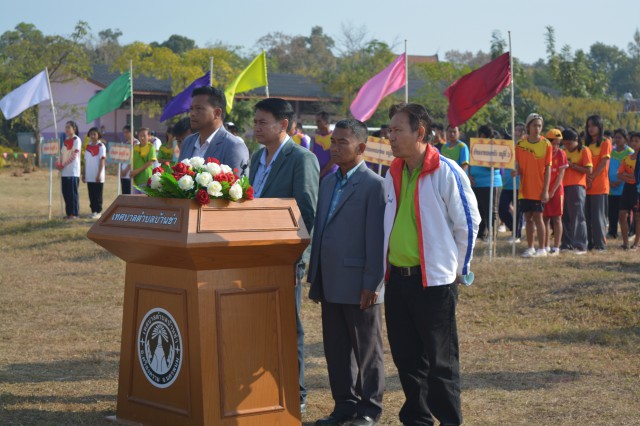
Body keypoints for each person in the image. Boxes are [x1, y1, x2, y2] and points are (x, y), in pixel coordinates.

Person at [383, 103, 480, 426]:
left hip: (434, 283)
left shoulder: (446, 170)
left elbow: (468, 222)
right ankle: (418, 419)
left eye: (397, 130)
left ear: (420, 132)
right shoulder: (392, 172)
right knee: (407, 360)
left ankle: (450, 420)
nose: (390, 136)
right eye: (389, 130)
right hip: (398, 281)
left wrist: (456, 270)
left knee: (441, 363)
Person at [307, 119, 385, 426]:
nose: (334, 147)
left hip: (359, 283)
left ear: (361, 147)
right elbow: (321, 231)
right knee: (336, 349)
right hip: (330, 280)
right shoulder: (328, 182)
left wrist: (372, 283)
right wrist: (316, 276)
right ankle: (344, 405)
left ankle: (369, 409)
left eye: (342, 142)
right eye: (333, 141)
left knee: (367, 350)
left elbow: (376, 240)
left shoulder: (374, 185)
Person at [248, 97, 320, 415]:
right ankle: (260, 388)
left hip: (284, 258)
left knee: (288, 325)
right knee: (258, 322)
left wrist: (293, 257)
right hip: (252, 255)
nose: (256, 127)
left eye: (263, 122)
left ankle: (295, 391)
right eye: (255, 122)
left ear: (284, 125)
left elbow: (307, 212)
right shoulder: (256, 157)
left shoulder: (301, 159)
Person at [178, 86, 249, 176]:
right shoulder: (188, 142)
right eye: (191, 109)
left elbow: (238, 183)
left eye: (198, 108)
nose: (192, 113)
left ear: (217, 113)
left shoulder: (233, 146)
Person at [516, 113, 552, 258]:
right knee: (528, 218)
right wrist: (516, 171)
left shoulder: (546, 144)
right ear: (528, 126)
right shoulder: (520, 144)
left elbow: (548, 168)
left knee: (538, 217)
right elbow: (518, 164)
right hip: (524, 188)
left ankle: (542, 249)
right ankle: (530, 247)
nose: (537, 128)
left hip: (539, 188)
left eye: (539, 126)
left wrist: (546, 190)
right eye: (534, 125)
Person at [560, 128, 592, 254]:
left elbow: (588, 170)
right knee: (564, 216)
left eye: (569, 143)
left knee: (578, 215)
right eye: (565, 143)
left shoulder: (584, 150)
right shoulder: (562, 151)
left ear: (576, 140)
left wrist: (572, 165)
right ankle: (566, 243)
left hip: (577, 185)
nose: (567, 146)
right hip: (563, 185)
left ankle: (580, 244)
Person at [468, 124, 502, 243]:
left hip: (491, 183)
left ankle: (493, 236)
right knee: (478, 211)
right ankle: (481, 235)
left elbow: (497, 165)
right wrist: (469, 175)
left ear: (482, 135)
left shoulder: (494, 147)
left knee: (491, 211)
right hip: (476, 183)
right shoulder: (475, 147)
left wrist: (485, 158)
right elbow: (470, 163)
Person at [584, 115, 612, 251]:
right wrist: (587, 179)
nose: (591, 129)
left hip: (600, 185)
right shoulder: (585, 144)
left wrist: (591, 177)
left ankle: (600, 245)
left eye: (594, 125)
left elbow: (603, 163)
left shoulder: (605, 142)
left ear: (600, 127)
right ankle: (589, 243)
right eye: (588, 126)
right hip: (586, 185)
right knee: (586, 217)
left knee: (598, 217)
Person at [499, 122, 526, 243]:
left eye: (520, 130)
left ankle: (516, 235)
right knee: (502, 209)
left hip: (519, 184)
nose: (517, 132)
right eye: (516, 130)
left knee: (518, 211)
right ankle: (513, 228)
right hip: (507, 184)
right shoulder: (507, 146)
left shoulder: (525, 147)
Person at [543, 129, 568, 255]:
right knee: (545, 219)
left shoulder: (561, 154)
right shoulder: (543, 153)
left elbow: (561, 175)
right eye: (554, 143)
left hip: (557, 191)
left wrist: (552, 191)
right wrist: (545, 190)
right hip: (544, 190)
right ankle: (545, 245)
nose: (556, 146)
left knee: (557, 218)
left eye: (558, 144)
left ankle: (556, 247)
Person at [608, 128, 634, 239]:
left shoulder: (630, 152)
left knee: (624, 211)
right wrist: (609, 181)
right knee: (612, 211)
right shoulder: (611, 151)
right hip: (611, 187)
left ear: (625, 139)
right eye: (616, 137)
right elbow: (606, 168)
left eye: (620, 137)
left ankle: (627, 232)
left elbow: (631, 170)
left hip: (624, 186)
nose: (617, 140)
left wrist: (619, 181)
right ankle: (612, 232)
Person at [617, 131, 640, 249]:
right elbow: (619, 174)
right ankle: (625, 243)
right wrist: (629, 176)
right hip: (627, 188)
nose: (634, 143)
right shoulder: (627, 158)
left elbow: (636, 176)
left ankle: (636, 243)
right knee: (622, 214)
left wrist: (629, 175)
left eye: (637, 141)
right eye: (632, 141)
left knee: (637, 216)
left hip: (637, 189)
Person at [57, 121, 82, 219]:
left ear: (74, 129)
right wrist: (58, 163)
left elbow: (74, 155)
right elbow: (62, 154)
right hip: (64, 172)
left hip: (72, 171)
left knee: (72, 194)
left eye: (68, 127)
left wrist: (63, 164)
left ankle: (74, 213)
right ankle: (68, 213)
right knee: (66, 193)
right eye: (66, 127)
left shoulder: (77, 140)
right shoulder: (65, 140)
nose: (66, 129)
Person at [82, 127, 107, 219]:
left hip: (98, 175)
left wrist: (99, 174)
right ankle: (93, 211)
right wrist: (84, 173)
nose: (92, 136)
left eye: (94, 134)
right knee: (91, 194)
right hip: (89, 175)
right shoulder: (88, 146)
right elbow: (85, 161)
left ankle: (98, 211)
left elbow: (102, 161)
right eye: (91, 134)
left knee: (97, 194)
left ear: (98, 135)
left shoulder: (101, 146)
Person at [312, 111, 338, 179]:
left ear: (326, 122)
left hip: (331, 175)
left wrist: (322, 172)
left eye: (318, 121)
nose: (316, 123)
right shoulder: (316, 137)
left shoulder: (335, 137)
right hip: (317, 174)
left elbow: (334, 159)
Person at [131, 128, 157, 194]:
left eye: (144, 136)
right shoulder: (135, 147)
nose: (142, 138)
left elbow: (150, 162)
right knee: (135, 199)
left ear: (149, 136)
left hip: (145, 178)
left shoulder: (151, 147)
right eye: (140, 136)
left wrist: (137, 171)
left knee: (144, 199)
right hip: (135, 180)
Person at [120, 125, 138, 195]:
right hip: (123, 174)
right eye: (124, 132)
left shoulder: (136, 143)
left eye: (127, 132)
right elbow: (122, 159)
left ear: (132, 132)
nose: (125, 134)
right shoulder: (125, 144)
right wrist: (121, 170)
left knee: (130, 195)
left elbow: (134, 159)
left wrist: (127, 169)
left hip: (131, 173)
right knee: (124, 195)